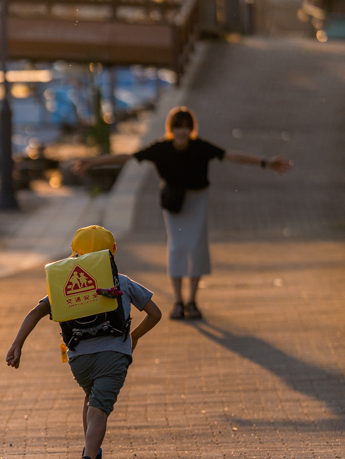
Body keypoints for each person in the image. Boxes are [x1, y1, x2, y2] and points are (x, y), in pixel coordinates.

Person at [74, 106, 292, 320]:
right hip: (174, 201)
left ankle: (192, 301)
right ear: (171, 128)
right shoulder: (162, 148)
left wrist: (266, 162)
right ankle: (178, 301)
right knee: (177, 246)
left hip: (198, 199)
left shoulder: (200, 147)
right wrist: (93, 162)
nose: (182, 131)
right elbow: (127, 157)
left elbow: (232, 155)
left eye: (186, 127)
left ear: (191, 129)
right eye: (177, 127)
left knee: (197, 245)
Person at [6, 225, 161, 459]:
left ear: (74, 255)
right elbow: (155, 313)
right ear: (112, 252)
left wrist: (18, 344)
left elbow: (36, 311)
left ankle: (92, 451)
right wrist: (135, 336)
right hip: (114, 356)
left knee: (91, 398)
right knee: (99, 408)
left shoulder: (63, 285)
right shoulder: (123, 282)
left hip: (79, 361)